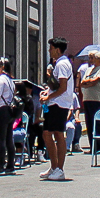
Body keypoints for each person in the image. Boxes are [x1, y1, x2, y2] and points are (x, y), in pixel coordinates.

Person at [38, 38, 75, 181]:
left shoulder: (62, 64)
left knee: (57, 134)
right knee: (47, 134)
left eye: (51, 48)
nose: (49, 51)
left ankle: (59, 169)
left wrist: (49, 97)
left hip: (59, 104)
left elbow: (63, 87)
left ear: (57, 50)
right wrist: (47, 93)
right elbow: (55, 85)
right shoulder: (58, 64)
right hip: (54, 103)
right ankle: (53, 167)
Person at [78, 51, 100, 146]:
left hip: (97, 99)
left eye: (92, 58)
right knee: (89, 123)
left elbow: (95, 81)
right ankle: (92, 145)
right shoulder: (89, 70)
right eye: (89, 58)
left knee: (97, 122)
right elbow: (82, 82)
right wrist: (88, 82)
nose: (90, 60)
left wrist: (88, 82)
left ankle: (99, 145)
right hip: (87, 98)